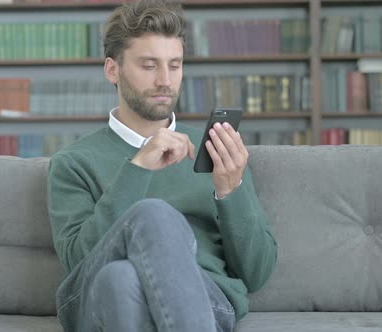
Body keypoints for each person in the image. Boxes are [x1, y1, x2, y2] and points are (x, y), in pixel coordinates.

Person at [47, 0, 277, 331]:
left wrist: (230, 190)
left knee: (122, 279)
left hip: (205, 297)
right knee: (147, 224)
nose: (165, 81)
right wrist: (137, 168)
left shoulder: (217, 151)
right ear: (113, 69)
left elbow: (257, 274)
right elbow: (80, 263)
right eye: (149, 66)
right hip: (93, 302)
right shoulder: (73, 163)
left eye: (175, 65)